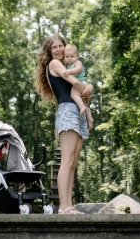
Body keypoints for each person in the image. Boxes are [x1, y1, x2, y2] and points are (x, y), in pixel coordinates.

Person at [36, 35, 93, 215]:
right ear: (49, 51)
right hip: (68, 111)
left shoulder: (68, 65)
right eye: (55, 47)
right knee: (66, 161)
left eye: (62, 45)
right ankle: (63, 207)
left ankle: (69, 205)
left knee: (73, 163)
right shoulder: (54, 64)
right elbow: (75, 83)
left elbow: (82, 93)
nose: (60, 49)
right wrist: (88, 88)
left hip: (77, 111)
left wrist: (86, 93)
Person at [61, 43, 94, 130]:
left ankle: (81, 107)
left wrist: (70, 72)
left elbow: (78, 69)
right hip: (77, 85)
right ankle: (90, 118)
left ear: (77, 56)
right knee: (85, 102)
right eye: (67, 57)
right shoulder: (65, 66)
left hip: (81, 83)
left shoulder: (77, 62)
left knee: (74, 94)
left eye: (72, 56)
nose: (69, 59)